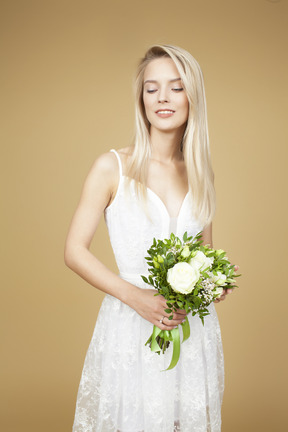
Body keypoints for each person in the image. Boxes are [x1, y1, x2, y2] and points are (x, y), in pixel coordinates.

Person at [65, 44, 233, 432]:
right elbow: (74, 251)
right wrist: (137, 298)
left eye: (176, 87)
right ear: (140, 98)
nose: (162, 98)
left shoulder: (201, 174)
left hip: (188, 330)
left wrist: (213, 284)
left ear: (193, 96)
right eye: (151, 88)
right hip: (130, 325)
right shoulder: (112, 167)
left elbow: (204, 256)